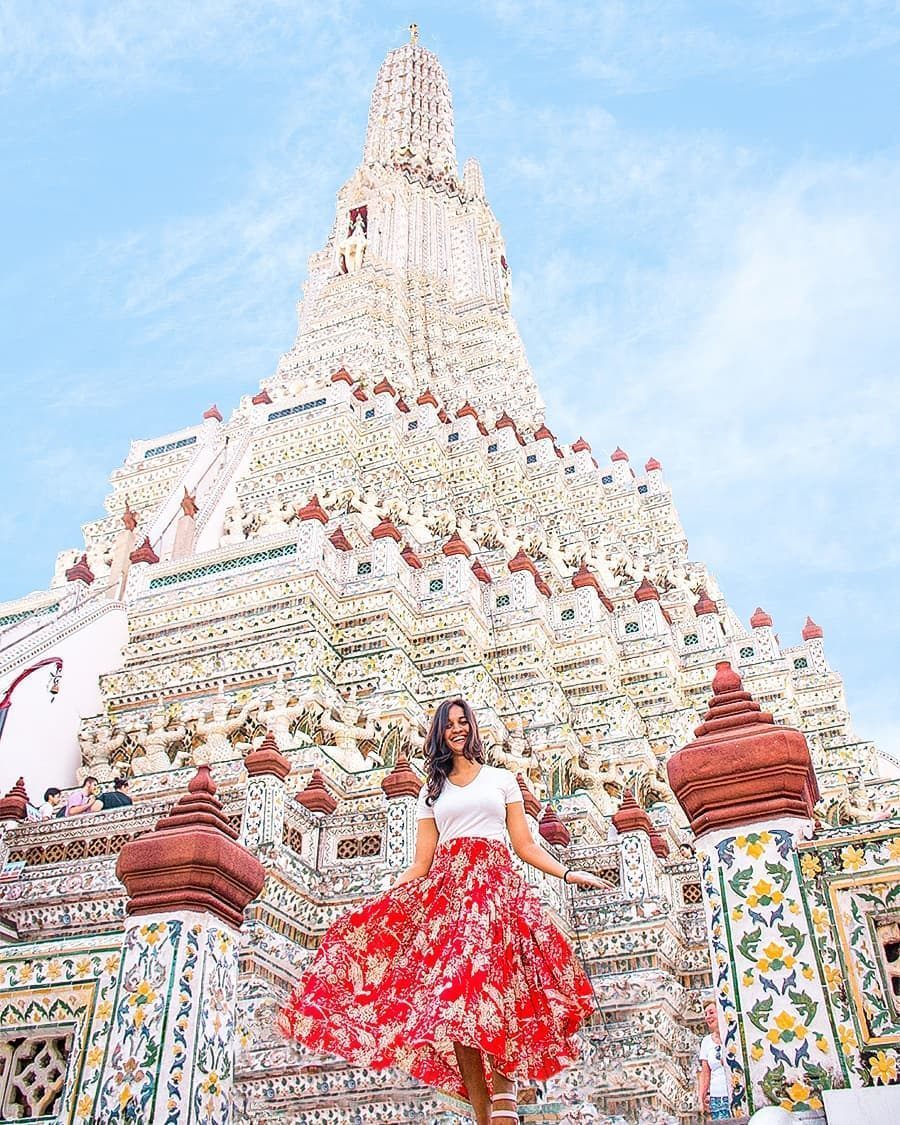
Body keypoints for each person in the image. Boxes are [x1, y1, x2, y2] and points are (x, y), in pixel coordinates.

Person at [281, 698, 607, 1124]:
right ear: (440, 733)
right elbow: (421, 862)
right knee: (458, 1001)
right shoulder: (432, 790)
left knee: (500, 991)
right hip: (451, 897)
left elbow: (524, 847)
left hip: (496, 894)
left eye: (462, 722)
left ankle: (505, 1106)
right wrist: (384, 899)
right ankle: (483, 1116)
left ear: (472, 728)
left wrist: (568, 874)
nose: (457, 730)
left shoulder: (502, 780)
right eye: (448, 724)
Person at [698, 1001, 730, 1120]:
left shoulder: (733, 1036)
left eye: (711, 1012)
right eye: (705, 1014)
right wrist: (701, 1099)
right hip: (718, 1098)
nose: (708, 1017)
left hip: (736, 1094)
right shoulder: (706, 1042)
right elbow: (705, 1074)